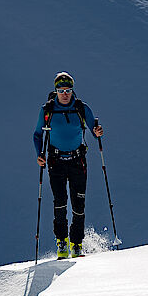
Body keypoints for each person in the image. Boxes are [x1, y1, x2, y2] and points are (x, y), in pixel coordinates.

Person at [33, 72, 103, 259]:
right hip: (56, 161)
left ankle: (77, 244)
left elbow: (94, 131)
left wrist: (97, 132)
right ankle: (62, 242)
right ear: (56, 91)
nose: (65, 94)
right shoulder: (47, 110)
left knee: (78, 203)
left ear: (72, 90)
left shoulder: (81, 108)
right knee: (60, 202)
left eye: (68, 90)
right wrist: (39, 154)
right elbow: (37, 135)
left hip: (78, 160)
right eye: (61, 90)